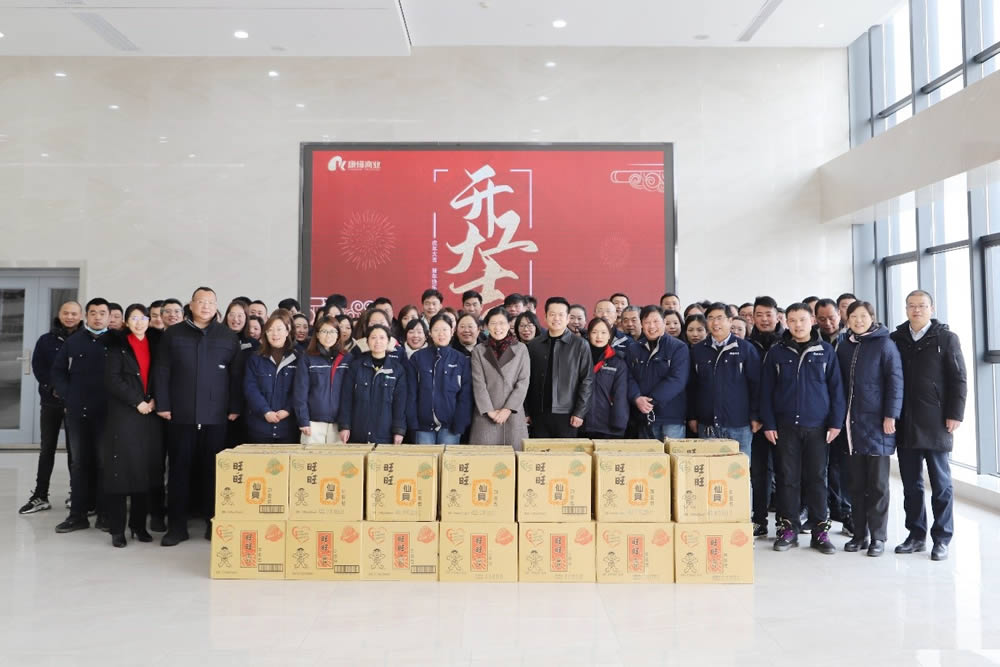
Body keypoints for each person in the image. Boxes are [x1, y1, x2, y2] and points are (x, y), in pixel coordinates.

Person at [153, 287, 241, 546]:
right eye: (200, 302)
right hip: (181, 414)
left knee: (214, 472)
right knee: (179, 471)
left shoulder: (227, 336)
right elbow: (162, 371)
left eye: (211, 302)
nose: (205, 306)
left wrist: (234, 406)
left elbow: (236, 375)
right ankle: (177, 527)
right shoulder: (174, 333)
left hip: (216, 416)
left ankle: (214, 524)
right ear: (190, 305)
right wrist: (163, 404)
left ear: (217, 306)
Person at [760, 303, 845, 555]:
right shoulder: (777, 353)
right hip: (785, 427)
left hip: (818, 427)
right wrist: (769, 423)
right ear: (786, 322)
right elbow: (766, 391)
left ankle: (820, 531)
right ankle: (788, 529)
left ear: (812, 322)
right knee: (787, 478)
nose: (798, 325)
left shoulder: (825, 351)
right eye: (793, 320)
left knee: (817, 478)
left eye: (803, 320)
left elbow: (836, 390)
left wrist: (835, 423)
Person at [891, 290, 967, 562]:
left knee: (941, 484)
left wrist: (955, 414)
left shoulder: (946, 338)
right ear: (906, 309)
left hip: (936, 421)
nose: (916, 310)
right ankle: (915, 535)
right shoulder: (896, 339)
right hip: (905, 422)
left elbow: (959, 378)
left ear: (931, 309)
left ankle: (942, 539)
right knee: (911, 485)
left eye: (922, 306)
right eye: (912, 306)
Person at [837, 301, 903, 557]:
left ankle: (878, 537)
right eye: (853, 316)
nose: (858, 320)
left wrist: (891, 415)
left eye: (863, 316)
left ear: (872, 318)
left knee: (877, 485)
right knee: (855, 484)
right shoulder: (844, 345)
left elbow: (895, 382)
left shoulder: (885, 344)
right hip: (851, 425)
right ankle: (859, 534)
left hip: (877, 424)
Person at [100, 304, 163, 548]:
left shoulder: (156, 344)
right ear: (126, 322)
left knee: (144, 471)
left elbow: (161, 376)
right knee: (121, 471)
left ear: (149, 320)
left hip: (151, 414)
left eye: (143, 318)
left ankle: (139, 525)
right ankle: (118, 529)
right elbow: (111, 380)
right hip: (125, 414)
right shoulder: (118, 346)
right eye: (133, 318)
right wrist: (137, 401)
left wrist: (155, 399)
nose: (139, 322)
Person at [52, 298, 111, 534]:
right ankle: (77, 515)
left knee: (105, 463)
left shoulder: (116, 341)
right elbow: (58, 371)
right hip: (78, 413)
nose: (97, 317)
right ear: (87, 316)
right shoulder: (74, 341)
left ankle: (105, 515)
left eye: (102, 313)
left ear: (109, 317)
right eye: (93, 313)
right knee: (79, 463)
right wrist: (69, 396)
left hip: (107, 414)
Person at [19, 300, 82, 515]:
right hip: (50, 401)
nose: (70, 317)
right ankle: (40, 495)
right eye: (66, 313)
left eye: (74, 313)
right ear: (59, 314)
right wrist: (54, 388)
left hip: (76, 403)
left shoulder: (85, 340)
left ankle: (76, 494)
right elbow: (39, 367)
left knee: (75, 450)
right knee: (47, 449)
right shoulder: (46, 340)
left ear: (80, 316)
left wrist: (73, 393)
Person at [687, 302, 761, 457]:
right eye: (711, 318)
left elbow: (757, 386)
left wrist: (756, 416)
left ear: (730, 320)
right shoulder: (698, 350)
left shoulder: (746, 349)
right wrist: (692, 416)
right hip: (707, 424)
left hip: (739, 424)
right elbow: (692, 387)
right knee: (709, 468)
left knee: (738, 469)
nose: (715, 323)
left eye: (720, 318)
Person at [523, 297, 593, 437]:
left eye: (561, 314)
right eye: (552, 314)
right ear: (545, 317)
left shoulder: (580, 345)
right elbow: (526, 380)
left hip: (568, 414)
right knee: (539, 451)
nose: (556, 318)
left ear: (567, 318)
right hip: (539, 413)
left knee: (565, 451)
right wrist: (526, 411)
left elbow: (587, 380)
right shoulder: (534, 345)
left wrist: (579, 412)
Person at [747, 295, 785, 537]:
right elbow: (748, 385)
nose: (764, 319)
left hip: (783, 418)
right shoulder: (747, 344)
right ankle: (759, 519)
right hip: (757, 420)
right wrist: (755, 415)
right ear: (752, 317)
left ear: (777, 316)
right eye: (758, 315)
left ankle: (783, 521)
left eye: (768, 315)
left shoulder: (786, 343)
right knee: (759, 472)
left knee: (784, 471)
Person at [815, 297, 853, 535]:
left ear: (840, 314)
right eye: (822, 319)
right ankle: (823, 513)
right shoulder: (812, 339)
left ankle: (847, 512)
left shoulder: (850, 339)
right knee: (821, 467)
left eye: (831, 317)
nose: (828, 323)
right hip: (818, 413)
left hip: (846, 411)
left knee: (845, 466)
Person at [625, 306, 689, 441]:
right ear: (641, 324)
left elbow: (677, 380)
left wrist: (651, 401)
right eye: (647, 322)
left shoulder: (678, 347)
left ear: (664, 322)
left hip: (671, 417)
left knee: (673, 454)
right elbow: (628, 377)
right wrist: (636, 398)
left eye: (656, 321)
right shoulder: (633, 348)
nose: (651, 326)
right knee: (648, 455)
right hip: (643, 416)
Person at [469, 307, 530, 448]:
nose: (498, 328)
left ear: (509, 325)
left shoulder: (521, 349)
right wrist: (489, 411)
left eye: (502, 323)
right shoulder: (479, 350)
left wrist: (508, 409)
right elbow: (478, 383)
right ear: (486, 326)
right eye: (493, 323)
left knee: (514, 456)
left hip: (513, 414)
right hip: (486, 414)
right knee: (485, 456)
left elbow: (523, 382)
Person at [407, 314, 473, 444]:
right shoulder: (417, 358)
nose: (441, 334)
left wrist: (459, 424)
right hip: (423, 426)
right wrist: (413, 423)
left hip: (451, 426)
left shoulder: (461, 359)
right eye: (436, 330)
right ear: (430, 333)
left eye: (445, 329)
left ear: (452, 332)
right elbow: (411, 394)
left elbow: (465, 396)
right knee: (425, 458)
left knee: (448, 458)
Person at [339, 325, 407, 444]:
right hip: (358, 431)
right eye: (373, 337)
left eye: (382, 338)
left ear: (388, 342)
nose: (377, 341)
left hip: (385, 433)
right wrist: (345, 426)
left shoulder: (397, 370)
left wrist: (398, 430)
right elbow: (346, 399)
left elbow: (400, 404)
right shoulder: (356, 367)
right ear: (367, 342)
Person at [293, 315, 350, 444]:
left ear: (338, 335)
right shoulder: (307, 358)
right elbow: (300, 392)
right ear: (317, 334)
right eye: (324, 331)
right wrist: (303, 420)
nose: (328, 335)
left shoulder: (347, 358)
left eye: (332, 331)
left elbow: (349, 394)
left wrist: (346, 424)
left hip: (339, 425)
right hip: (313, 423)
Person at [244, 312, 299, 444]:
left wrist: (287, 410)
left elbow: (300, 389)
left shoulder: (298, 358)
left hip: (288, 426)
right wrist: (265, 411)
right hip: (259, 426)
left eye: (279, 329)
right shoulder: (255, 358)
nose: (275, 334)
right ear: (265, 334)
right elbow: (250, 388)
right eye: (270, 330)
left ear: (287, 331)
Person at [581, 317, 629, 439]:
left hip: (607, 425)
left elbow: (620, 395)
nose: (599, 336)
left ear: (609, 336)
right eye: (594, 332)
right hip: (580, 423)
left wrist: (619, 424)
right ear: (588, 335)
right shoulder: (580, 358)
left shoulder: (618, 361)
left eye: (603, 332)